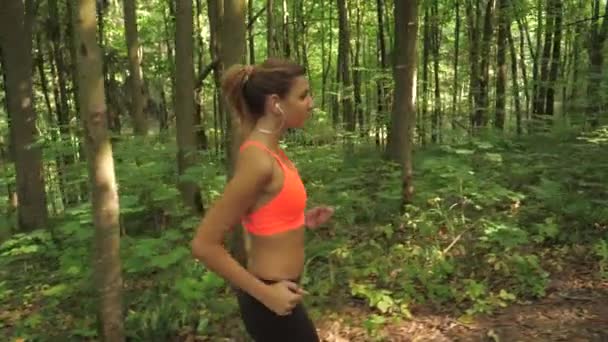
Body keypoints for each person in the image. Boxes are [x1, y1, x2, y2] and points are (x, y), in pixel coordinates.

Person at [191, 58, 334, 342]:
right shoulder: (258, 159)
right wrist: (267, 295)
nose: (311, 103)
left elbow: (263, 215)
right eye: (303, 95)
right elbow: (204, 244)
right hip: (269, 300)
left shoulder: (273, 151)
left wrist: (300, 220)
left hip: (283, 295)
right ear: (275, 104)